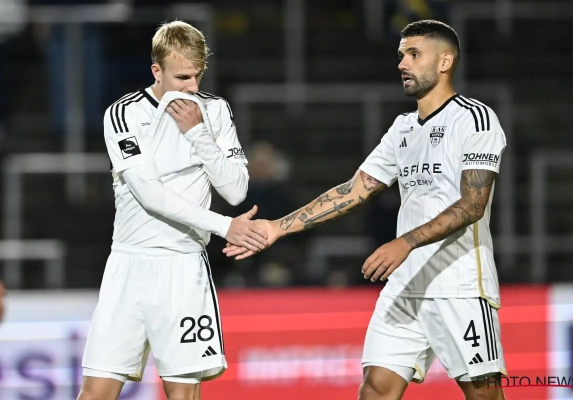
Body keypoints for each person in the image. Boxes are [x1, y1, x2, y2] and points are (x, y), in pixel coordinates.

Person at [224, 19, 507, 400]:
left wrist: (405, 242)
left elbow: (473, 204)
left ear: (445, 62)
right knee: (375, 388)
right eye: (401, 55)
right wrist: (277, 227)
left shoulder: (474, 118)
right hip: (405, 286)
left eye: (414, 54)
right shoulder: (403, 128)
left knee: (484, 394)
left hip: (459, 285)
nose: (402, 64)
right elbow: (353, 190)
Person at [77, 21, 268, 400]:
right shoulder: (124, 114)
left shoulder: (215, 111)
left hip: (184, 268)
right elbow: (150, 194)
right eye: (182, 77)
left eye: (198, 75)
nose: (192, 86)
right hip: (130, 266)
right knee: (96, 392)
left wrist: (198, 133)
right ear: (157, 71)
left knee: (182, 393)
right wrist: (224, 227)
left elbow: (235, 190)